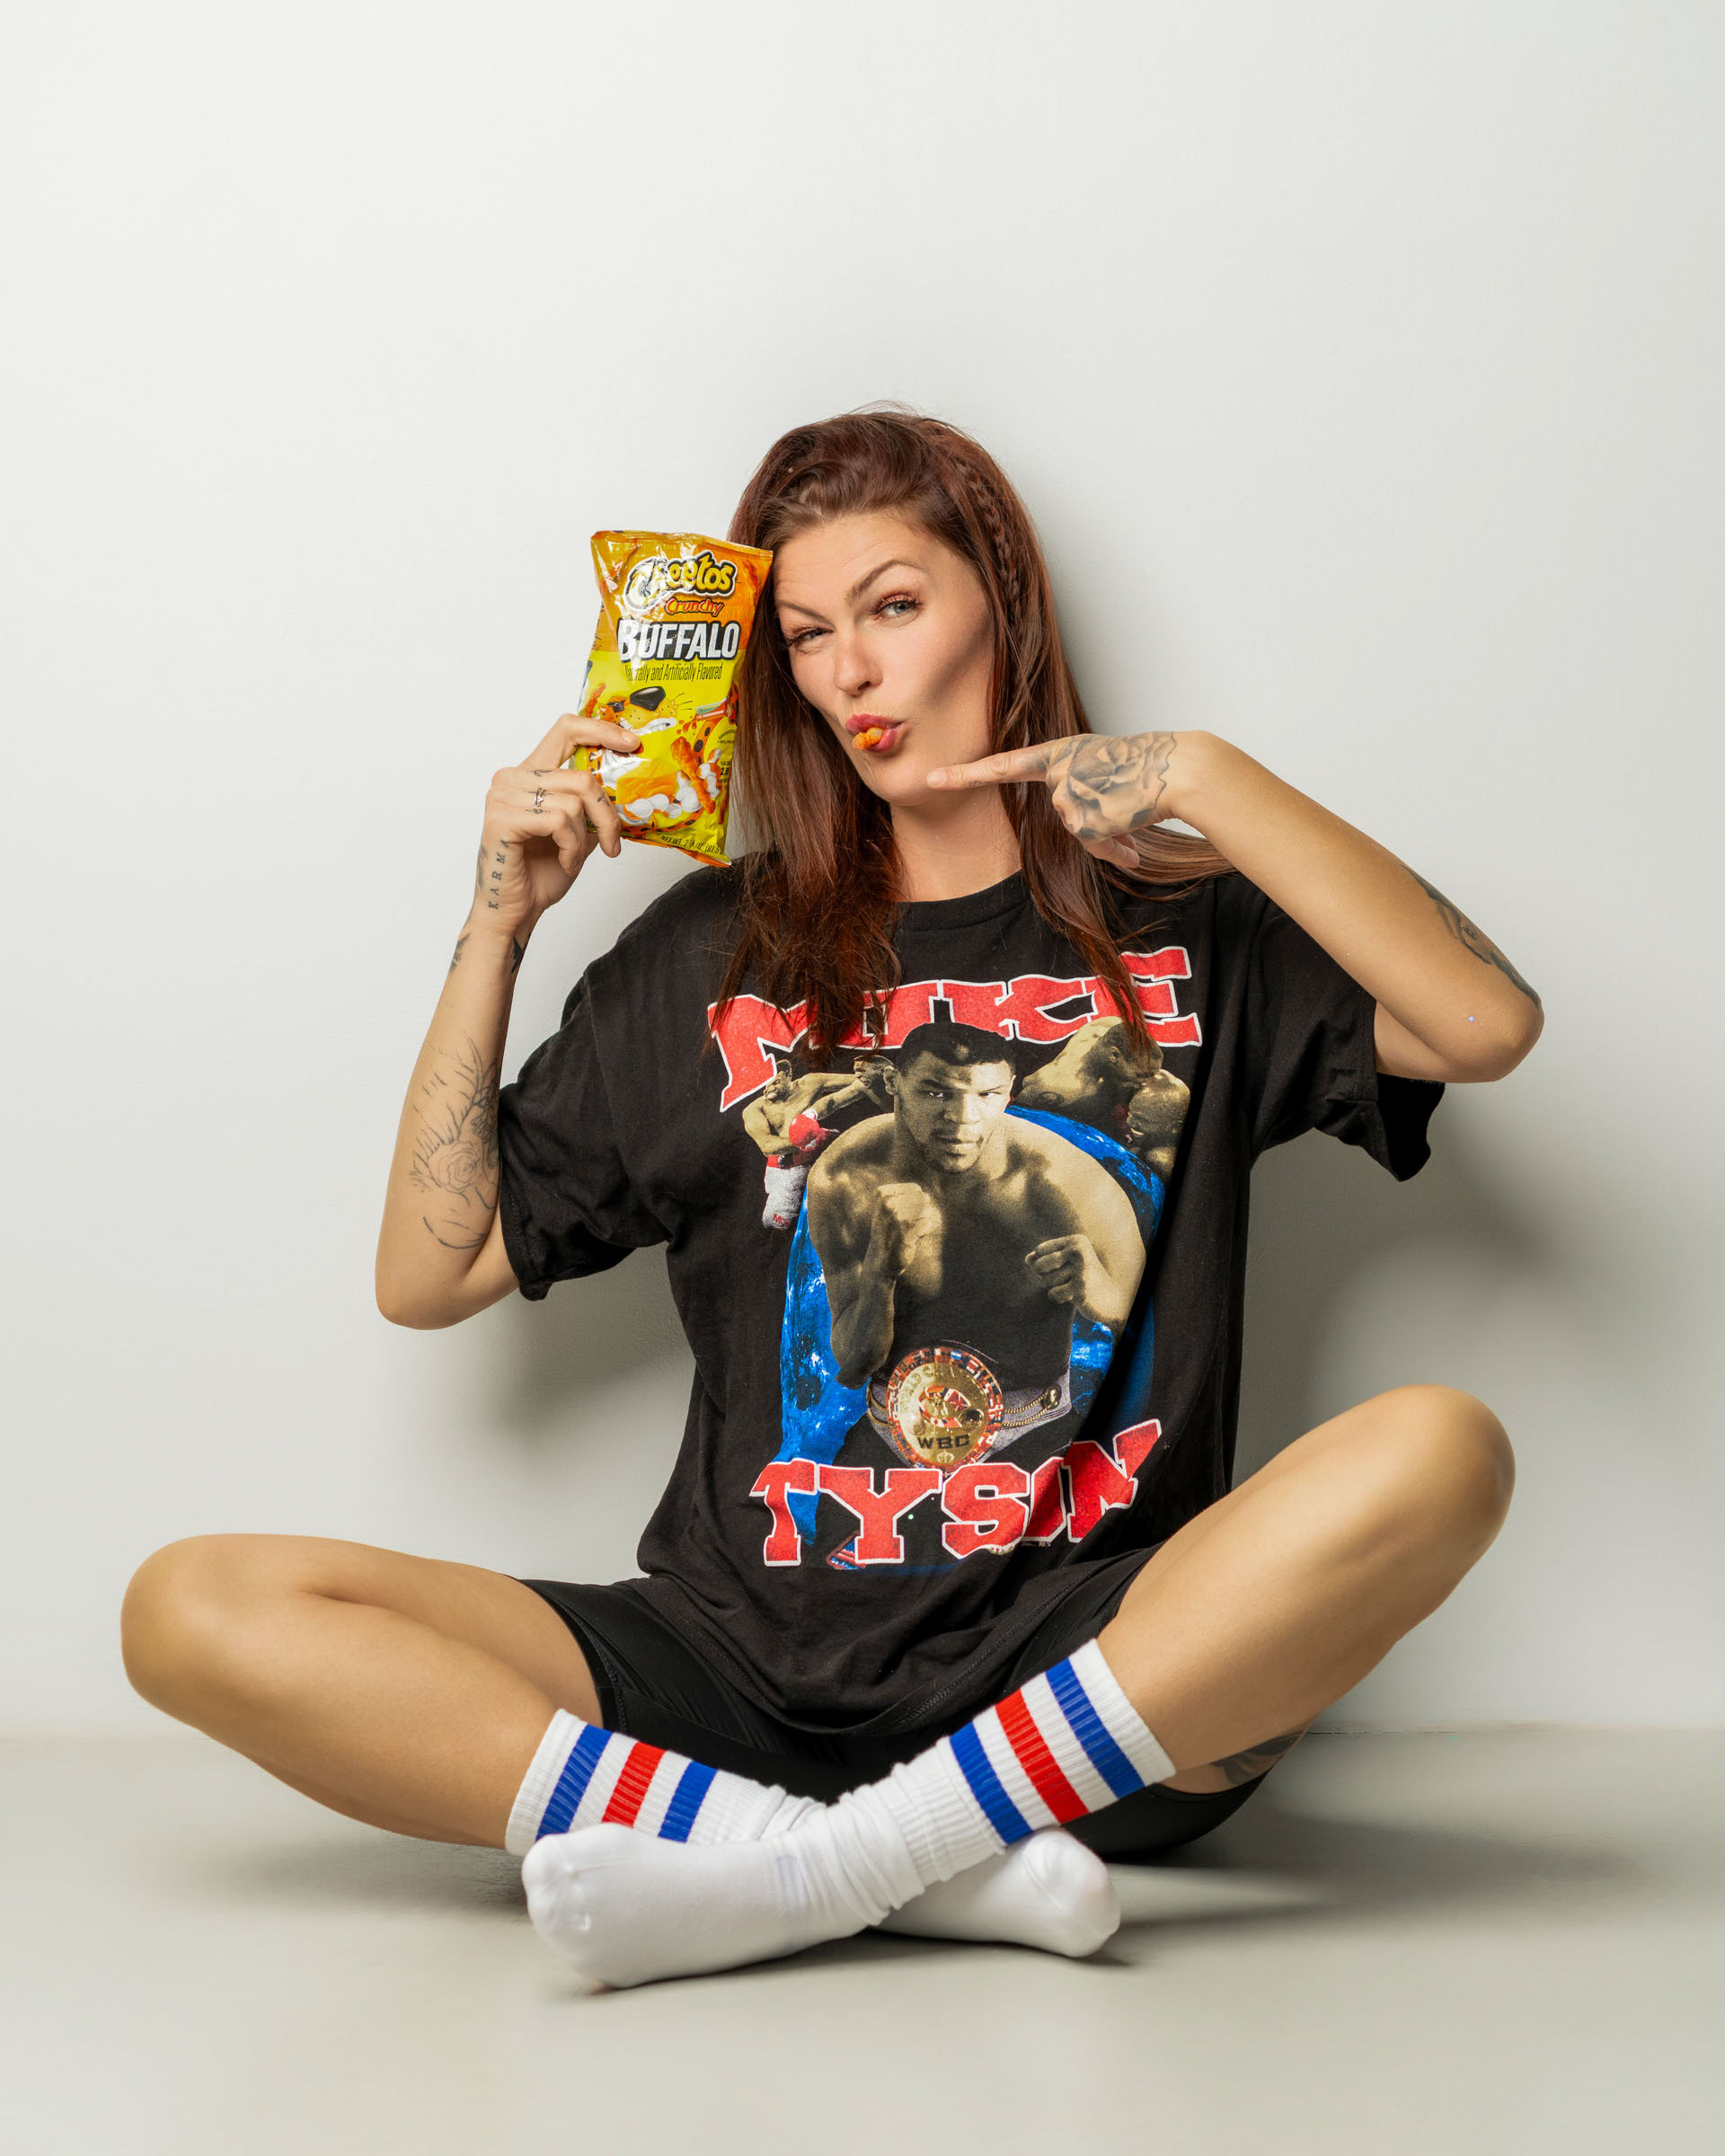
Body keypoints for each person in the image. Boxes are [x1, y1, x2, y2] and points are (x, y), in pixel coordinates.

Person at [120, 409, 1538, 1988]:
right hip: (738, 1669)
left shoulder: (1194, 931)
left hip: (1094, 1680)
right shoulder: (710, 952)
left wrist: (1207, 778)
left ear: (1003, 600)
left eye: (894, 606)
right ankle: (877, 1862)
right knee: (195, 1607)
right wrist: (498, 923)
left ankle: (823, 1858)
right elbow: (425, 1267)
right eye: (804, 634)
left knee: (1443, 1449)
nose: (850, 670)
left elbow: (1486, 1025)